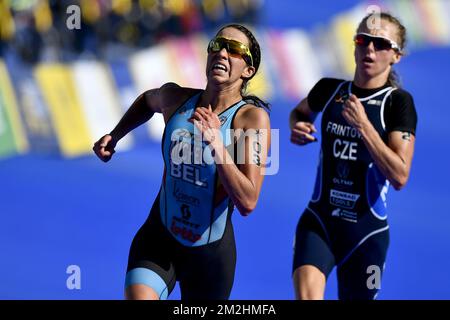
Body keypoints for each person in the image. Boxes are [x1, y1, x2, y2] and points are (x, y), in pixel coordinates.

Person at [93, 24, 271, 300]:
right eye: (216, 45)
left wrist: (216, 143)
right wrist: (115, 135)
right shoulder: (177, 99)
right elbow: (147, 101)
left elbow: (248, 202)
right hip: (158, 238)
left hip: (209, 257)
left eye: (234, 49)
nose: (222, 53)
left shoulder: (251, 120)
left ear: (248, 70)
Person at [289, 12, 417, 300]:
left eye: (381, 43)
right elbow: (299, 112)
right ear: (355, 45)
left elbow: (399, 175)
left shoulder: (398, 103)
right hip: (319, 221)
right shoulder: (329, 89)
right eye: (363, 40)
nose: (370, 49)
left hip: (366, 234)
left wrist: (363, 126)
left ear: (396, 55)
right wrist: (297, 125)